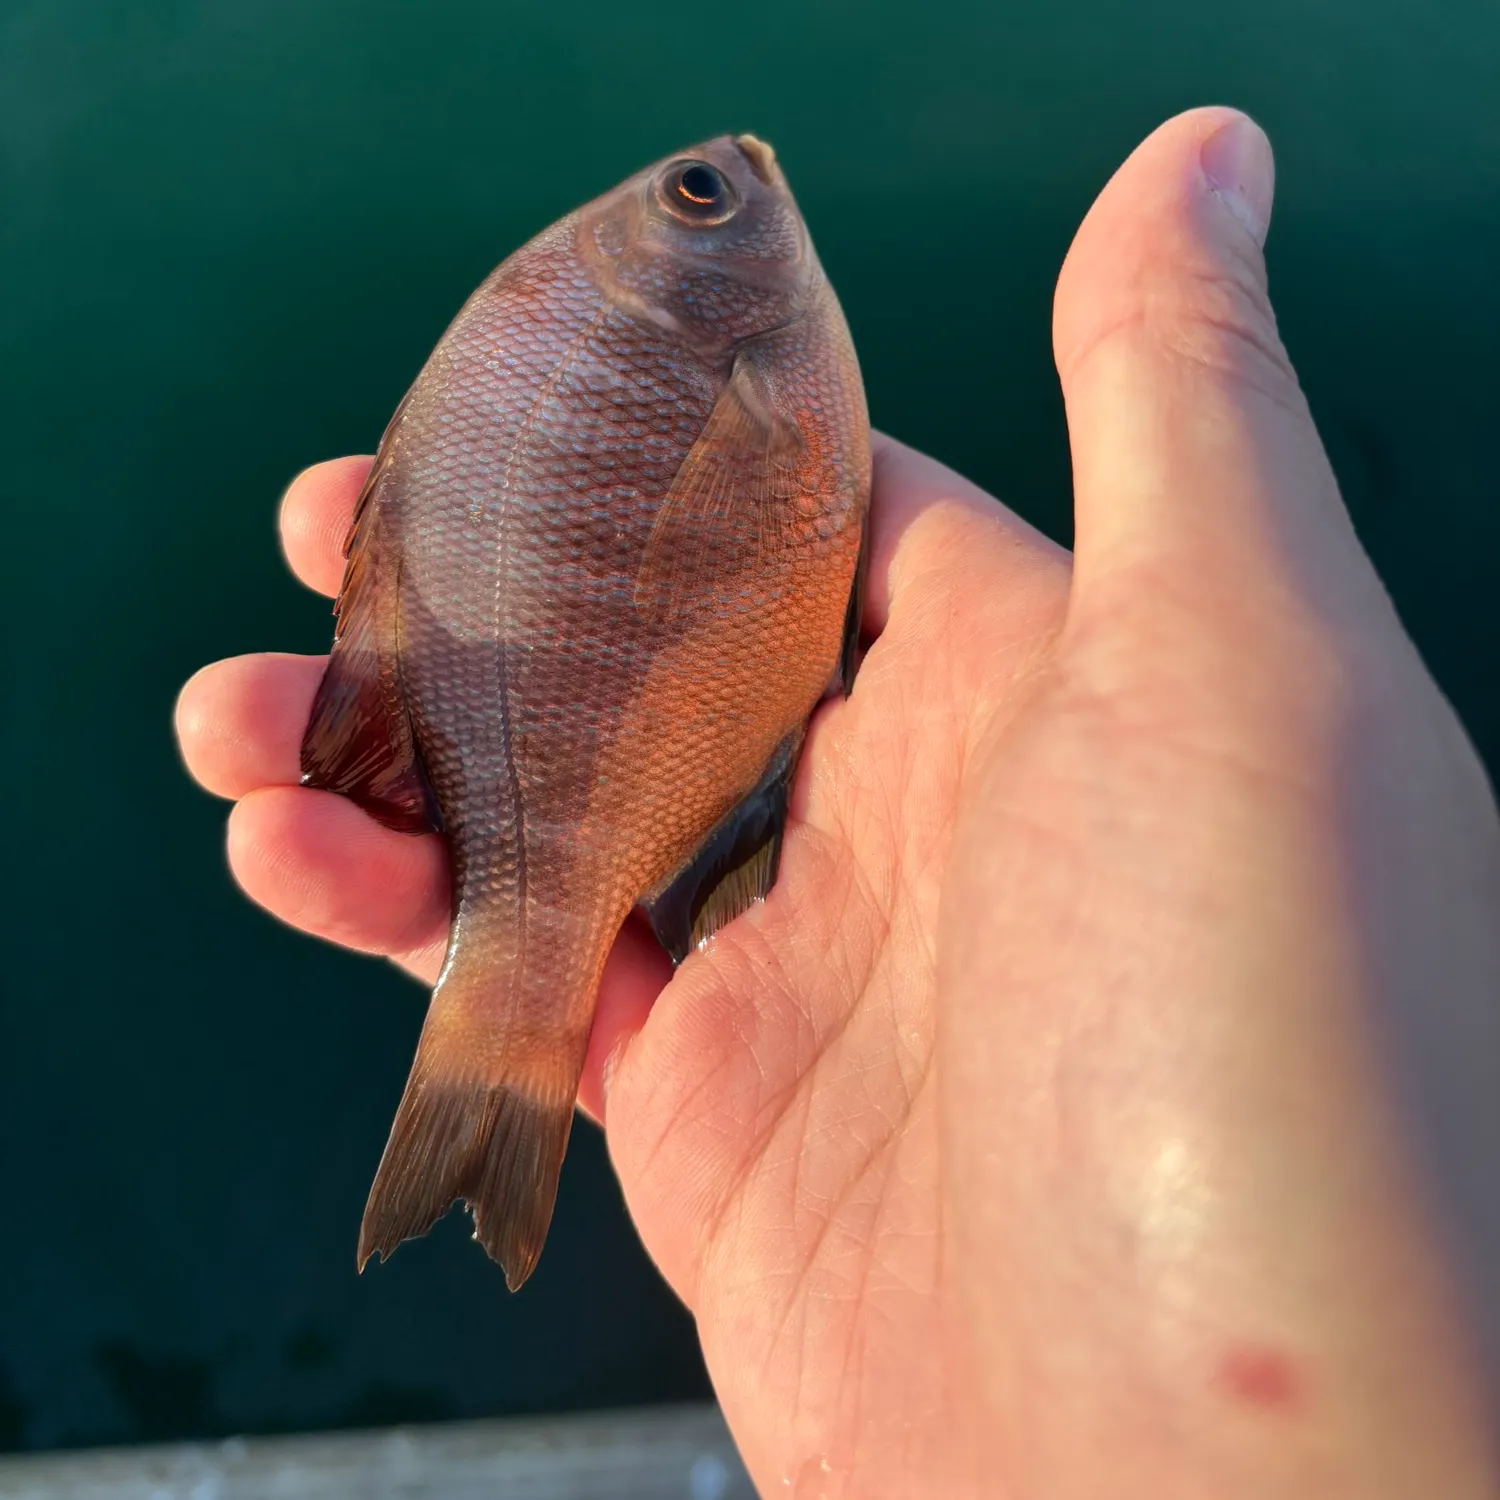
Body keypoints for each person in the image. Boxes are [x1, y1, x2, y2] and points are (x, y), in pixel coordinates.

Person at [174, 108, 1500, 1496]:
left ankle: (493, 1057)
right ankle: (499, 1051)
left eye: (692, 191)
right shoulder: (757, 353)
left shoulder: (688, 345)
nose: (739, 170)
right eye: (703, 194)